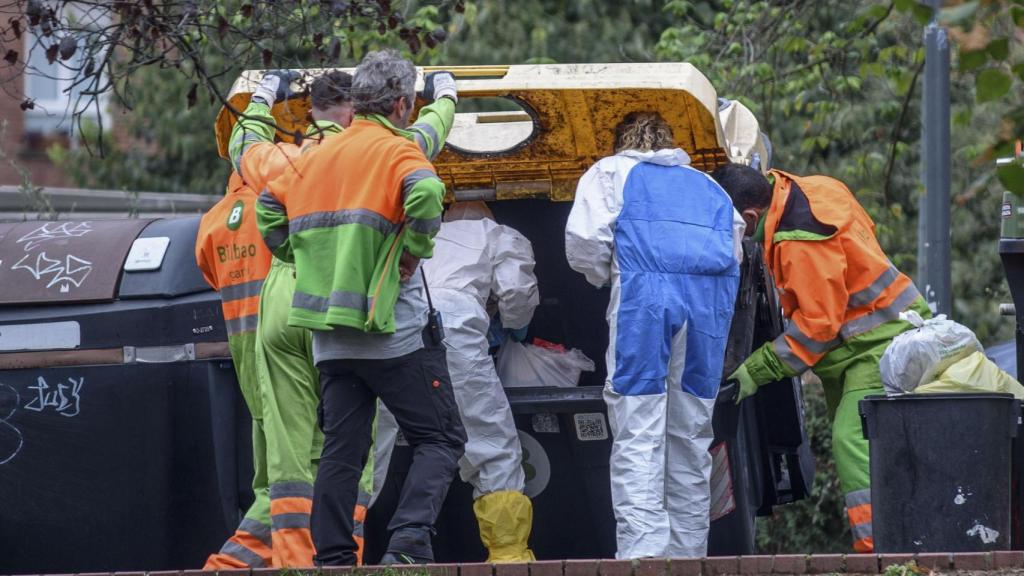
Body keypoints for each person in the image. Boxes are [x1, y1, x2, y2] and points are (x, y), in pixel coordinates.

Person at [240, 67, 457, 566]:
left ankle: (334, 558)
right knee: (440, 437)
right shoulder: (402, 149)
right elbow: (426, 192)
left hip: (330, 340)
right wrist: (415, 249)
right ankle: (406, 547)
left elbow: (269, 204)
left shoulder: (312, 156)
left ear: (357, 103)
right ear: (402, 106)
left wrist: (298, 257)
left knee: (342, 449)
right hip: (392, 335)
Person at [712, 163, 930, 553]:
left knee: (854, 442)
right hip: (871, 341)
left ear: (748, 218)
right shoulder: (814, 188)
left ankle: (881, 554)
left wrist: (753, 370)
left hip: (877, 346)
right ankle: (902, 544)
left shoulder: (798, 240)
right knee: (884, 450)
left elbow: (817, 329)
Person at [565, 112, 744, 559]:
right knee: (690, 435)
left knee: (639, 426)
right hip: (708, 310)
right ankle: (688, 557)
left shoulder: (610, 172)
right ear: (669, 141)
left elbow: (584, 244)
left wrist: (605, 274)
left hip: (645, 299)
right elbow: (735, 247)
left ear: (621, 140)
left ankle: (644, 558)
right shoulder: (711, 187)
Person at [372, 201, 539, 563]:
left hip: (392, 331)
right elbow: (517, 293)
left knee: (369, 450)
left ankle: (340, 552)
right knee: (491, 445)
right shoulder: (498, 234)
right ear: (489, 216)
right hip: (454, 334)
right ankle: (508, 558)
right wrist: (513, 325)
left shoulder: (418, 235)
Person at [195, 171, 274, 569]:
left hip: (244, 351)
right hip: (288, 349)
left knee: (268, 471)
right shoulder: (278, 202)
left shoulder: (212, 220)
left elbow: (211, 276)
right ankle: (229, 565)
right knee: (288, 477)